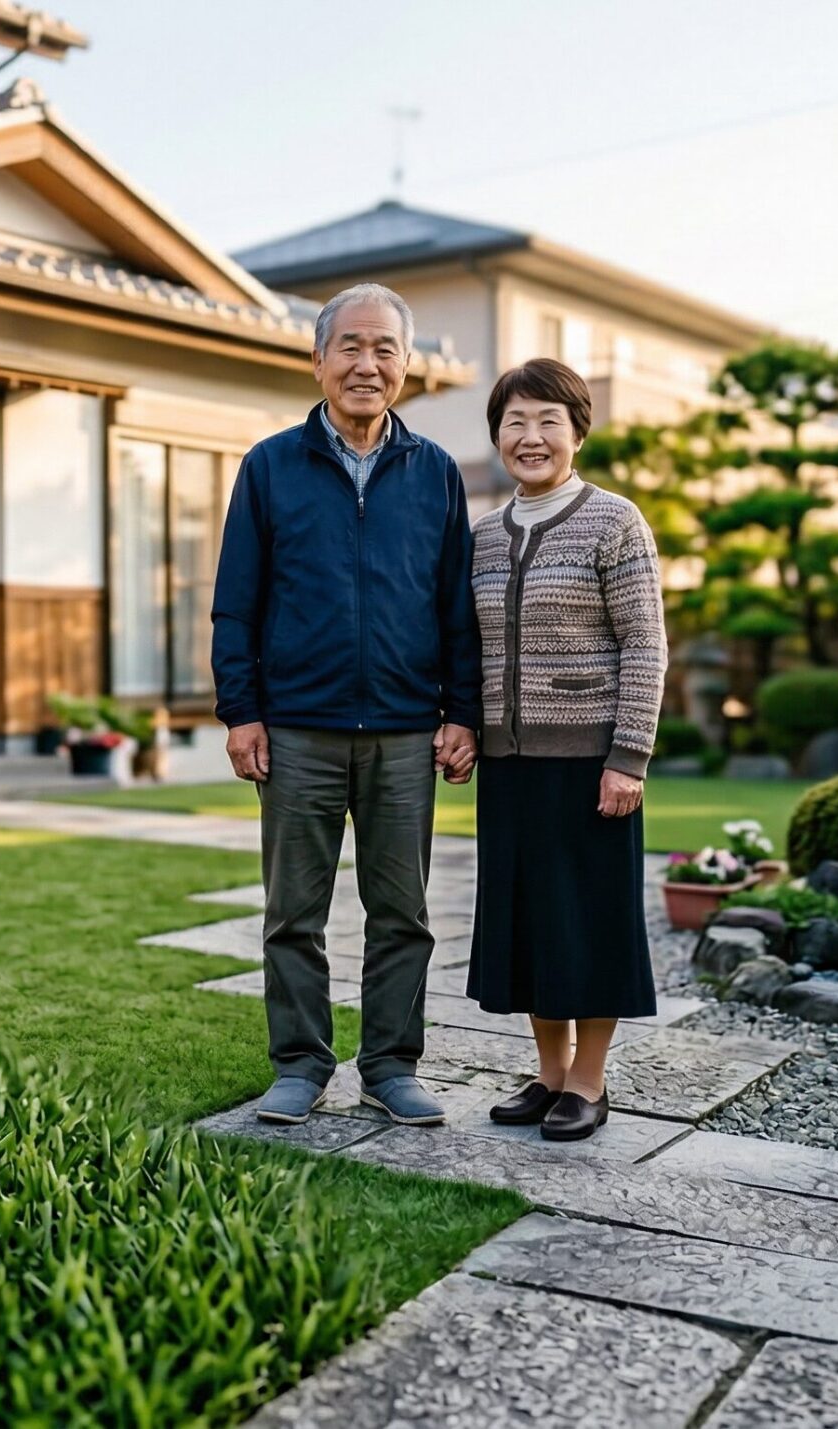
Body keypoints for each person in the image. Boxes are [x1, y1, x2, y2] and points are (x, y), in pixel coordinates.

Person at [211, 282, 481, 1128]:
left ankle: (392, 1065)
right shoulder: (269, 467)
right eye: (352, 347)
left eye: (386, 350)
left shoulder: (435, 471)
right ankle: (299, 1063)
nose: (368, 365)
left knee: (402, 912)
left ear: (406, 365)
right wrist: (240, 710)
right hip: (297, 728)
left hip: (404, 731)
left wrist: (462, 711)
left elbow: (456, 605)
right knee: (294, 910)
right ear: (319, 359)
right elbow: (235, 602)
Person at [463, 357, 668, 1142]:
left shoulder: (616, 521)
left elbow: (646, 645)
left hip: (591, 764)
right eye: (515, 421)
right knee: (530, 922)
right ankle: (547, 1074)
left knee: (591, 918)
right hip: (510, 764)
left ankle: (590, 1079)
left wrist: (629, 756)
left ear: (577, 430)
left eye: (548, 419)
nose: (531, 436)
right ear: (498, 437)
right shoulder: (483, 536)